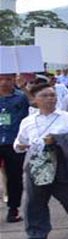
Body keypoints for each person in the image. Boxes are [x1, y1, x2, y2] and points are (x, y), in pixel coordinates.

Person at [13, 83, 68, 239]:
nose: (50, 99)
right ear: (35, 100)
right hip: (36, 165)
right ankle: (36, 234)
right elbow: (19, 142)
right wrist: (20, 146)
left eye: (52, 95)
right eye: (45, 96)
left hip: (62, 165)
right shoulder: (28, 121)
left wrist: (58, 139)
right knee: (34, 201)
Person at [1, 74, 31, 222]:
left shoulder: (20, 97)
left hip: (14, 142)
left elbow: (36, 103)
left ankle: (13, 209)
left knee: (14, 177)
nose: (4, 82)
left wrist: (24, 87)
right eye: (1, 79)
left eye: (7, 79)